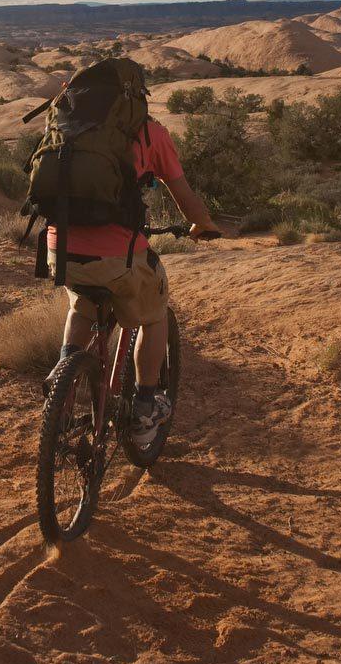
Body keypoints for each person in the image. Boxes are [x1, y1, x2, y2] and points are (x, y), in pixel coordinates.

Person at [51, 116, 219, 452]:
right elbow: (183, 195)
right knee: (155, 310)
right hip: (118, 255)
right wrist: (203, 224)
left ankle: (61, 387)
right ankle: (144, 408)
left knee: (82, 304)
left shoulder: (67, 123)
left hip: (61, 247)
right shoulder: (150, 132)